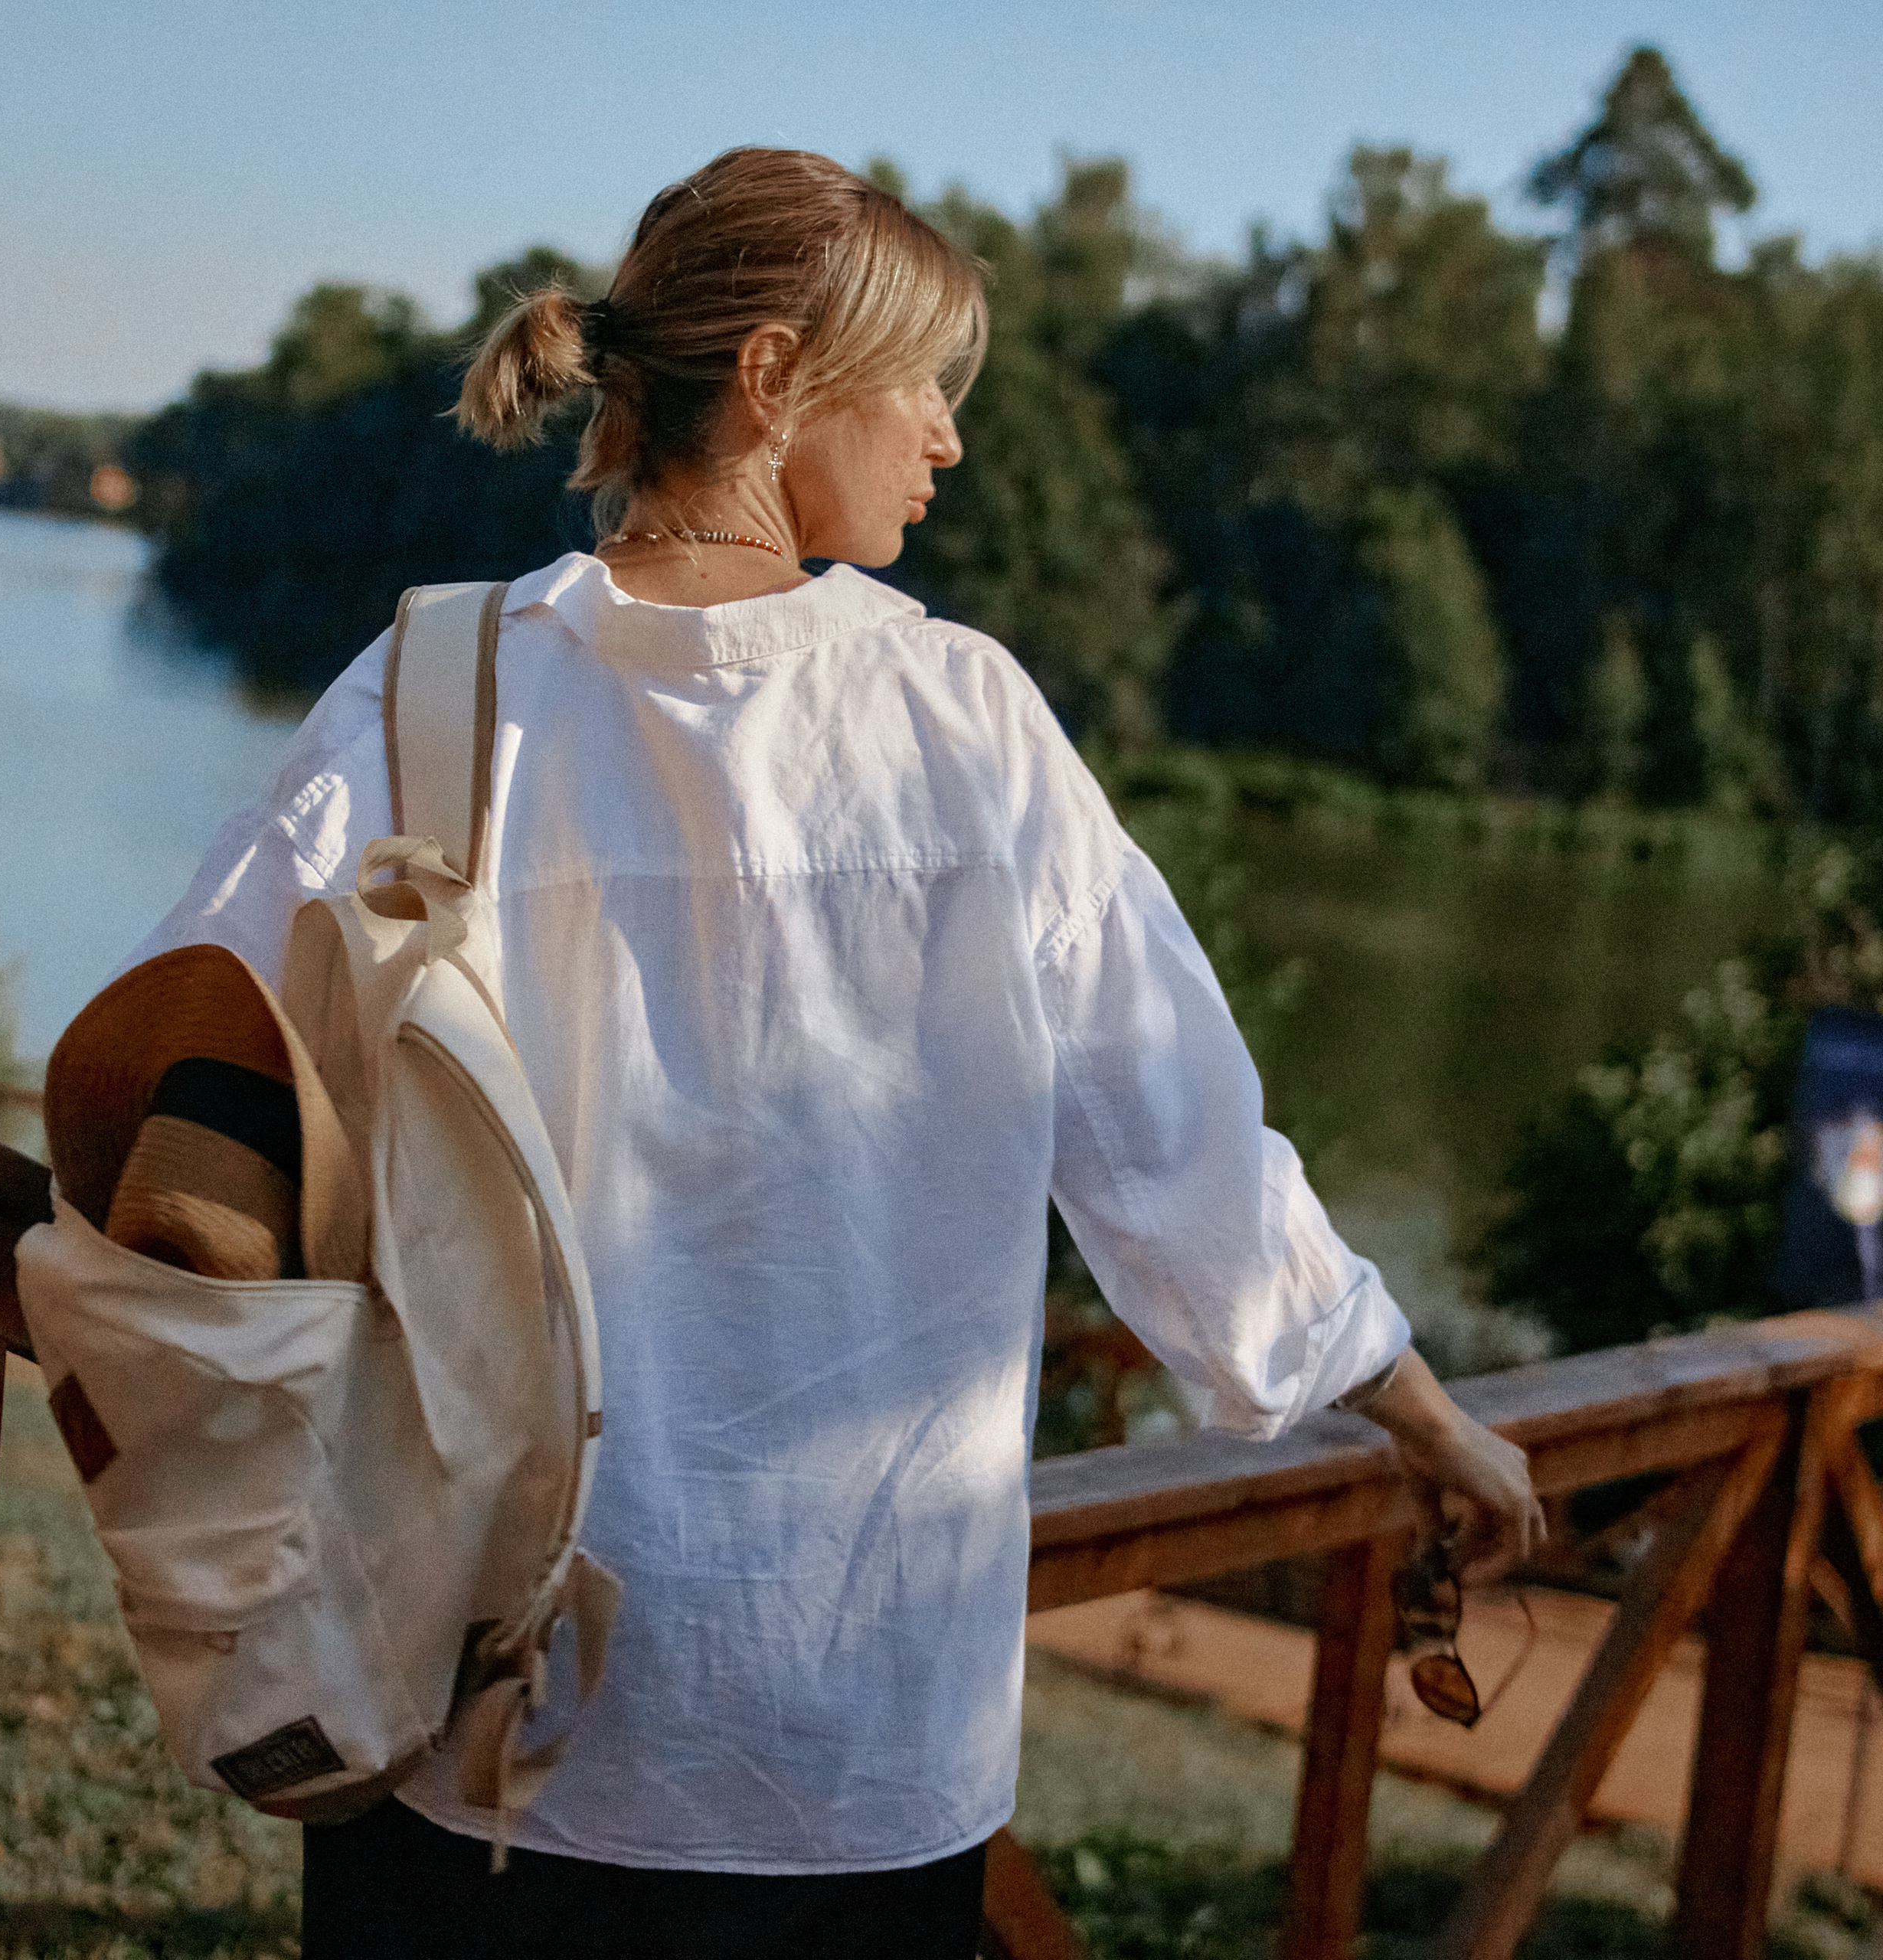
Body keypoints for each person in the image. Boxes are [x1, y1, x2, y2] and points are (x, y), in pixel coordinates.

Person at [129, 147, 1542, 1960]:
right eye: (924, 386)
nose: (947, 441)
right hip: (844, 1744)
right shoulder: (966, 726)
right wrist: (1422, 1416)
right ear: (779, 376)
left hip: (466, 1705)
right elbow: (1178, 1159)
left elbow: (175, 1089)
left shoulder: (424, 697)